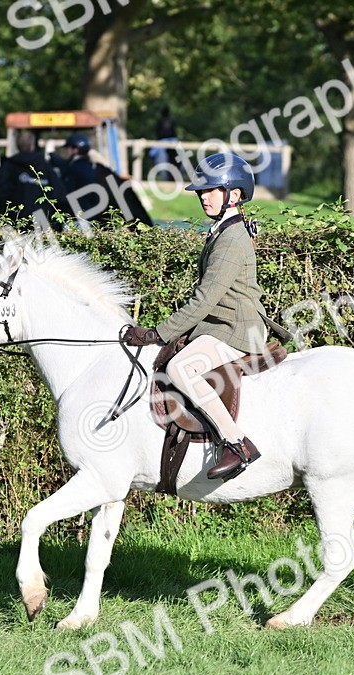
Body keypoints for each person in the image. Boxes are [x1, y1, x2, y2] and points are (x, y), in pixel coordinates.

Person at [122, 153, 268, 481]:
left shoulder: (231, 239)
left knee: (179, 367)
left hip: (238, 330)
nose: (203, 196)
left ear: (235, 194)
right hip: (220, 324)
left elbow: (203, 301)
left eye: (212, 189)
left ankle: (237, 443)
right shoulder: (224, 229)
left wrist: (156, 333)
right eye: (201, 191)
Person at [0, 131, 64, 232]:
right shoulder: (47, 171)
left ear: (17, 146)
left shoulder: (2, 172)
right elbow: (61, 198)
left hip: (13, 232)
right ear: (32, 146)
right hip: (44, 230)